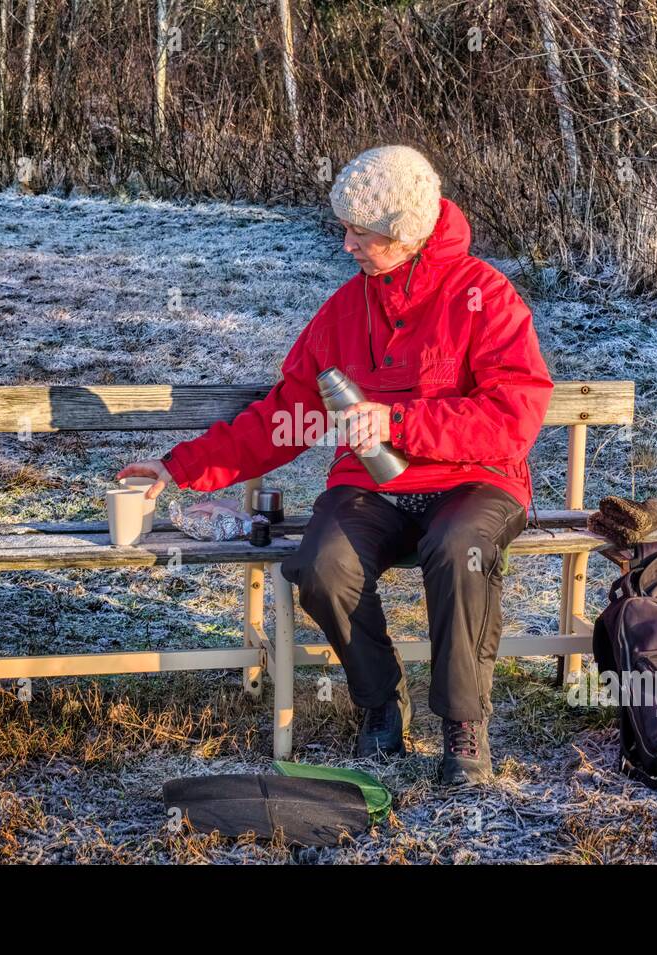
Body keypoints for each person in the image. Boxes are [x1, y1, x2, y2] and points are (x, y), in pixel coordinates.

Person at [118, 145, 554, 784]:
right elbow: (281, 418)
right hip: (370, 487)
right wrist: (177, 469)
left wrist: (401, 422)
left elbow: (514, 417)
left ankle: (464, 728)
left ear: (404, 236)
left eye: (360, 232)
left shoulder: (485, 297)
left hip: (473, 481)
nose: (346, 244)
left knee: (459, 547)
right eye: (344, 228)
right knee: (321, 564)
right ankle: (379, 704)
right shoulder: (345, 313)